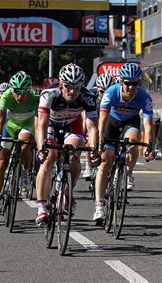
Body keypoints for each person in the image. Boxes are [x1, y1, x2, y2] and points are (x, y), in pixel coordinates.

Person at [35, 63, 99, 225]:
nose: (72, 92)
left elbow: (92, 127)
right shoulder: (49, 94)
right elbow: (41, 124)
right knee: (49, 157)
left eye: (76, 88)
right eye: (68, 87)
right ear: (61, 84)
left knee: (73, 155)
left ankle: (68, 190)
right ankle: (42, 206)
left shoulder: (88, 97)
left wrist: (94, 149)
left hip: (72, 124)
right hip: (51, 125)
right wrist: (41, 147)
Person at [93, 63, 155, 222]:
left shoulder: (144, 96)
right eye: (127, 83)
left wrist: (150, 145)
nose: (131, 87)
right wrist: (100, 140)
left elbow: (148, 124)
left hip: (130, 122)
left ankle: (128, 172)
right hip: (111, 123)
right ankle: (99, 206)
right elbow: (102, 119)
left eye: (135, 83)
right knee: (106, 162)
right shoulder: (111, 92)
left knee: (134, 141)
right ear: (121, 81)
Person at [0, 71, 39, 214]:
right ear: (12, 90)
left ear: (29, 90)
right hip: (9, 126)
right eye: (17, 92)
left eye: (24, 92)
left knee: (25, 145)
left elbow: (38, 123)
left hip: (27, 125)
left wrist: (37, 140)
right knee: (1, 162)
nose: (20, 95)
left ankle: (24, 173)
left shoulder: (34, 99)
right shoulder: (5, 96)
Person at [83, 73, 116, 179]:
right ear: (97, 89)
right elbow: (85, 116)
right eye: (102, 92)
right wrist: (85, 133)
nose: (105, 95)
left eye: (108, 91)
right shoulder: (91, 95)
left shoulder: (115, 95)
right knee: (90, 138)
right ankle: (88, 165)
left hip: (107, 117)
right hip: (93, 116)